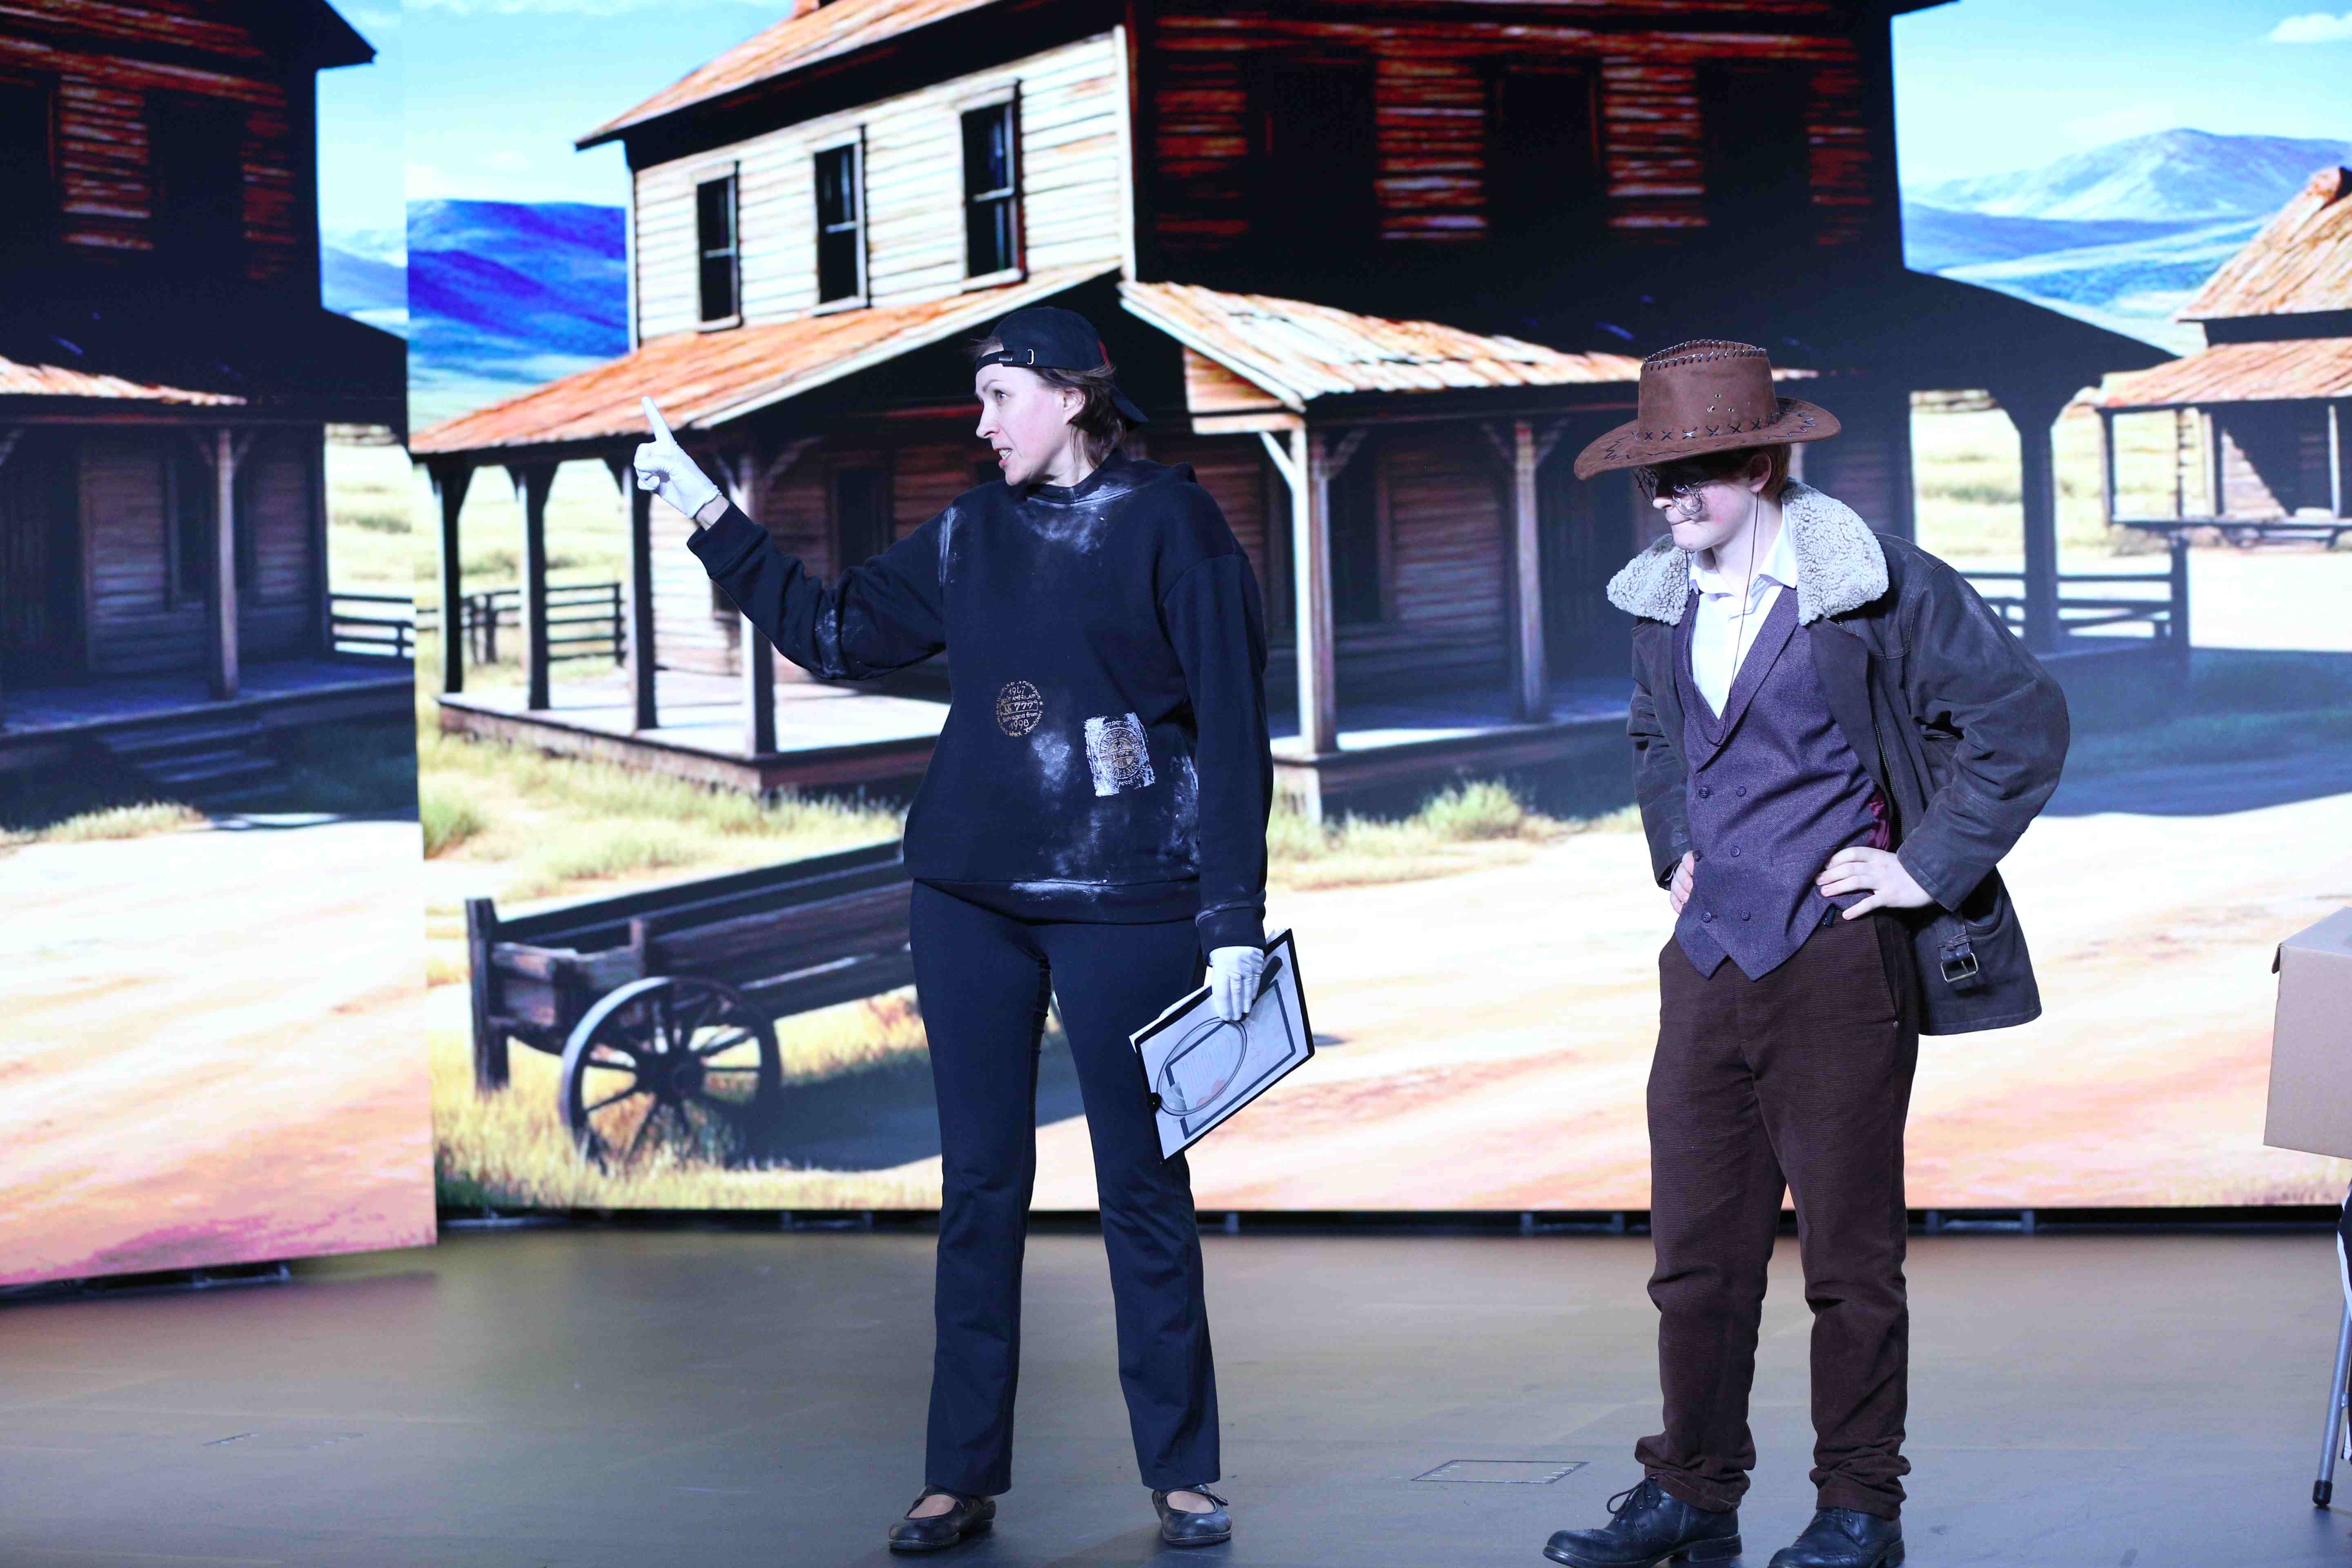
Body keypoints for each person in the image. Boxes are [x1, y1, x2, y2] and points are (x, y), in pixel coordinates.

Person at [629, 305, 1272, 1553]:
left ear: (1073, 397)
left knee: (1142, 1186)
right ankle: (958, 1475)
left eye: (1000, 398)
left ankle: (1184, 1471)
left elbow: (1236, 726)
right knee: (981, 1185)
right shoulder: (973, 533)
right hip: (968, 899)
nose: (982, 426)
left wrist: (1232, 915)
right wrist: (707, 512)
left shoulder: (1174, 524)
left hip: (1128, 897)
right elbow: (832, 632)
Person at [1541, 341, 2068, 1568]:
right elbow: (1655, 738)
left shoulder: (1878, 585)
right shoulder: (1662, 602)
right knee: (1696, 1258)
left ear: (1763, 466)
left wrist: (1922, 868)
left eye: (1694, 472)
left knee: (1850, 1261)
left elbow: (2021, 721)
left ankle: (1859, 1508)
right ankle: (1691, 1490)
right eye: (1655, 477)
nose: (1670, 497)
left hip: (1836, 961)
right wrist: (1673, 845)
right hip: (1705, 962)